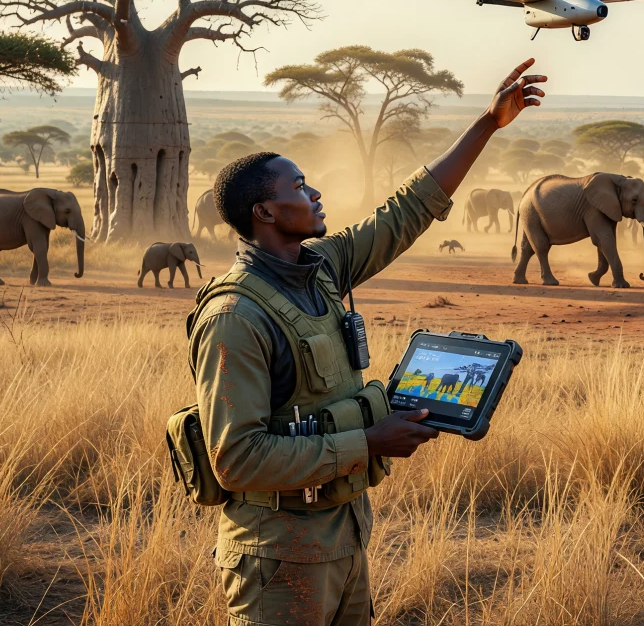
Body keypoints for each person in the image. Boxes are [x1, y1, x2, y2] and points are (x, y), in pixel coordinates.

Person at [189, 59, 547, 625]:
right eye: (300, 186)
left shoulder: (323, 268)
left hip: (344, 531)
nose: (315, 193)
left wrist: (488, 123)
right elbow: (236, 459)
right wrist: (369, 440)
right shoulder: (236, 316)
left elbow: (408, 210)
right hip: (277, 553)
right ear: (264, 211)